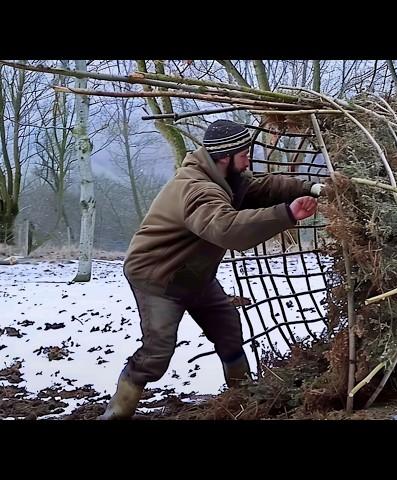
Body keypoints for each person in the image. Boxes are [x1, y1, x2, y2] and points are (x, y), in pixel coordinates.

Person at [99, 119, 324, 420]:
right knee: (157, 354)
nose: (247, 161)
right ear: (224, 157)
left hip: (195, 275)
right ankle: (117, 412)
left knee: (229, 331)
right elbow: (227, 229)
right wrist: (287, 214)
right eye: (243, 154)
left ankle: (243, 401)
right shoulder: (196, 189)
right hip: (158, 278)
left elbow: (262, 186)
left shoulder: (226, 178)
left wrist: (311, 187)